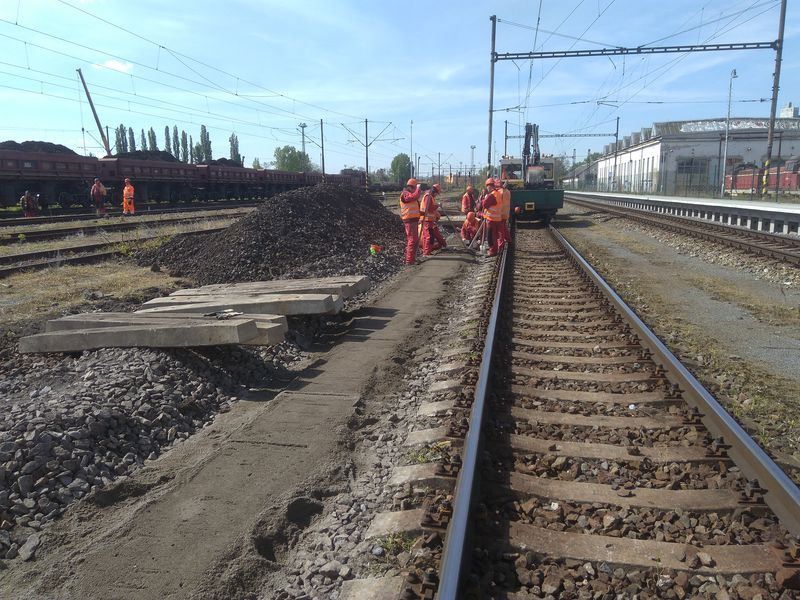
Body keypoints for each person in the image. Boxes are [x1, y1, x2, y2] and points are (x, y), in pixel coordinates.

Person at [399, 178, 422, 265]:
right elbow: (414, 196)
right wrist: (418, 189)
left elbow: (414, 207)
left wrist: (422, 213)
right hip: (409, 221)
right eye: (415, 188)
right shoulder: (405, 194)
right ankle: (409, 261)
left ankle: (412, 259)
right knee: (412, 240)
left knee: (414, 240)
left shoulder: (411, 195)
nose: (415, 190)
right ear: (412, 187)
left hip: (413, 220)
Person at [420, 183, 447, 256]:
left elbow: (431, 209)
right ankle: (426, 253)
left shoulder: (430, 197)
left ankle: (427, 252)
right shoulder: (428, 196)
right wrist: (437, 205)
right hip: (427, 220)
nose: (436, 195)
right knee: (429, 237)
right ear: (434, 191)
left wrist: (436, 214)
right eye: (437, 193)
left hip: (428, 220)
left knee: (428, 236)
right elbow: (429, 208)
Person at [482, 179, 505, 257]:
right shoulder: (498, 193)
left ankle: (492, 251)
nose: (487, 188)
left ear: (489, 186)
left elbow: (484, 204)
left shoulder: (491, 195)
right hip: (498, 218)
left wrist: (484, 197)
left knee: (490, 237)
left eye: (487, 186)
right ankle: (497, 248)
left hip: (491, 219)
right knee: (495, 235)